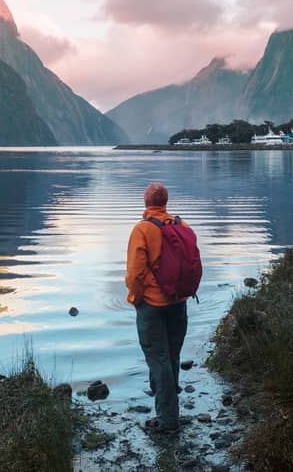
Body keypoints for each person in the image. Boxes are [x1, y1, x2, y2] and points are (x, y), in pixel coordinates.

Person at [125, 182, 189, 432]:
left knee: (159, 360)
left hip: (151, 305)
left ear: (146, 202)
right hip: (179, 303)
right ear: (165, 202)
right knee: (172, 356)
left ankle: (168, 421)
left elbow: (135, 274)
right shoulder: (181, 225)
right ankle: (171, 411)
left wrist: (135, 298)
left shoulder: (142, 230)